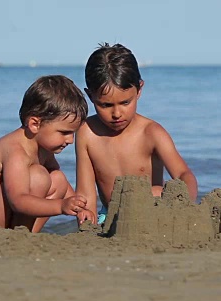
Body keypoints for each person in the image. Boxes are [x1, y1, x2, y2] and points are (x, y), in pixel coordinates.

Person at [75, 43, 198, 225]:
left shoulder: (152, 133)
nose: (117, 113)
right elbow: (86, 193)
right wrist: (86, 220)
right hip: (108, 216)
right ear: (90, 96)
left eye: (125, 102)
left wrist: (183, 202)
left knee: (156, 191)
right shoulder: (87, 132)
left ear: (139, 90)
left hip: (150, 212)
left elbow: (183, 175)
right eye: (106, 105)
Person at [0, 75, 89, 232]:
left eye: (73, 133)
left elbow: (61, 185)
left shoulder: (44, 147)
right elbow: (18, 201)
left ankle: (26, 233)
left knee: (58, 179)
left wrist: (78, 208)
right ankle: (20, 233)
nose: (70, 140)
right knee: (39, 176)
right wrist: (61, 206)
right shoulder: (16, 151)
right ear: (34, 124)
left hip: (0, 204)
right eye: (64, 132)